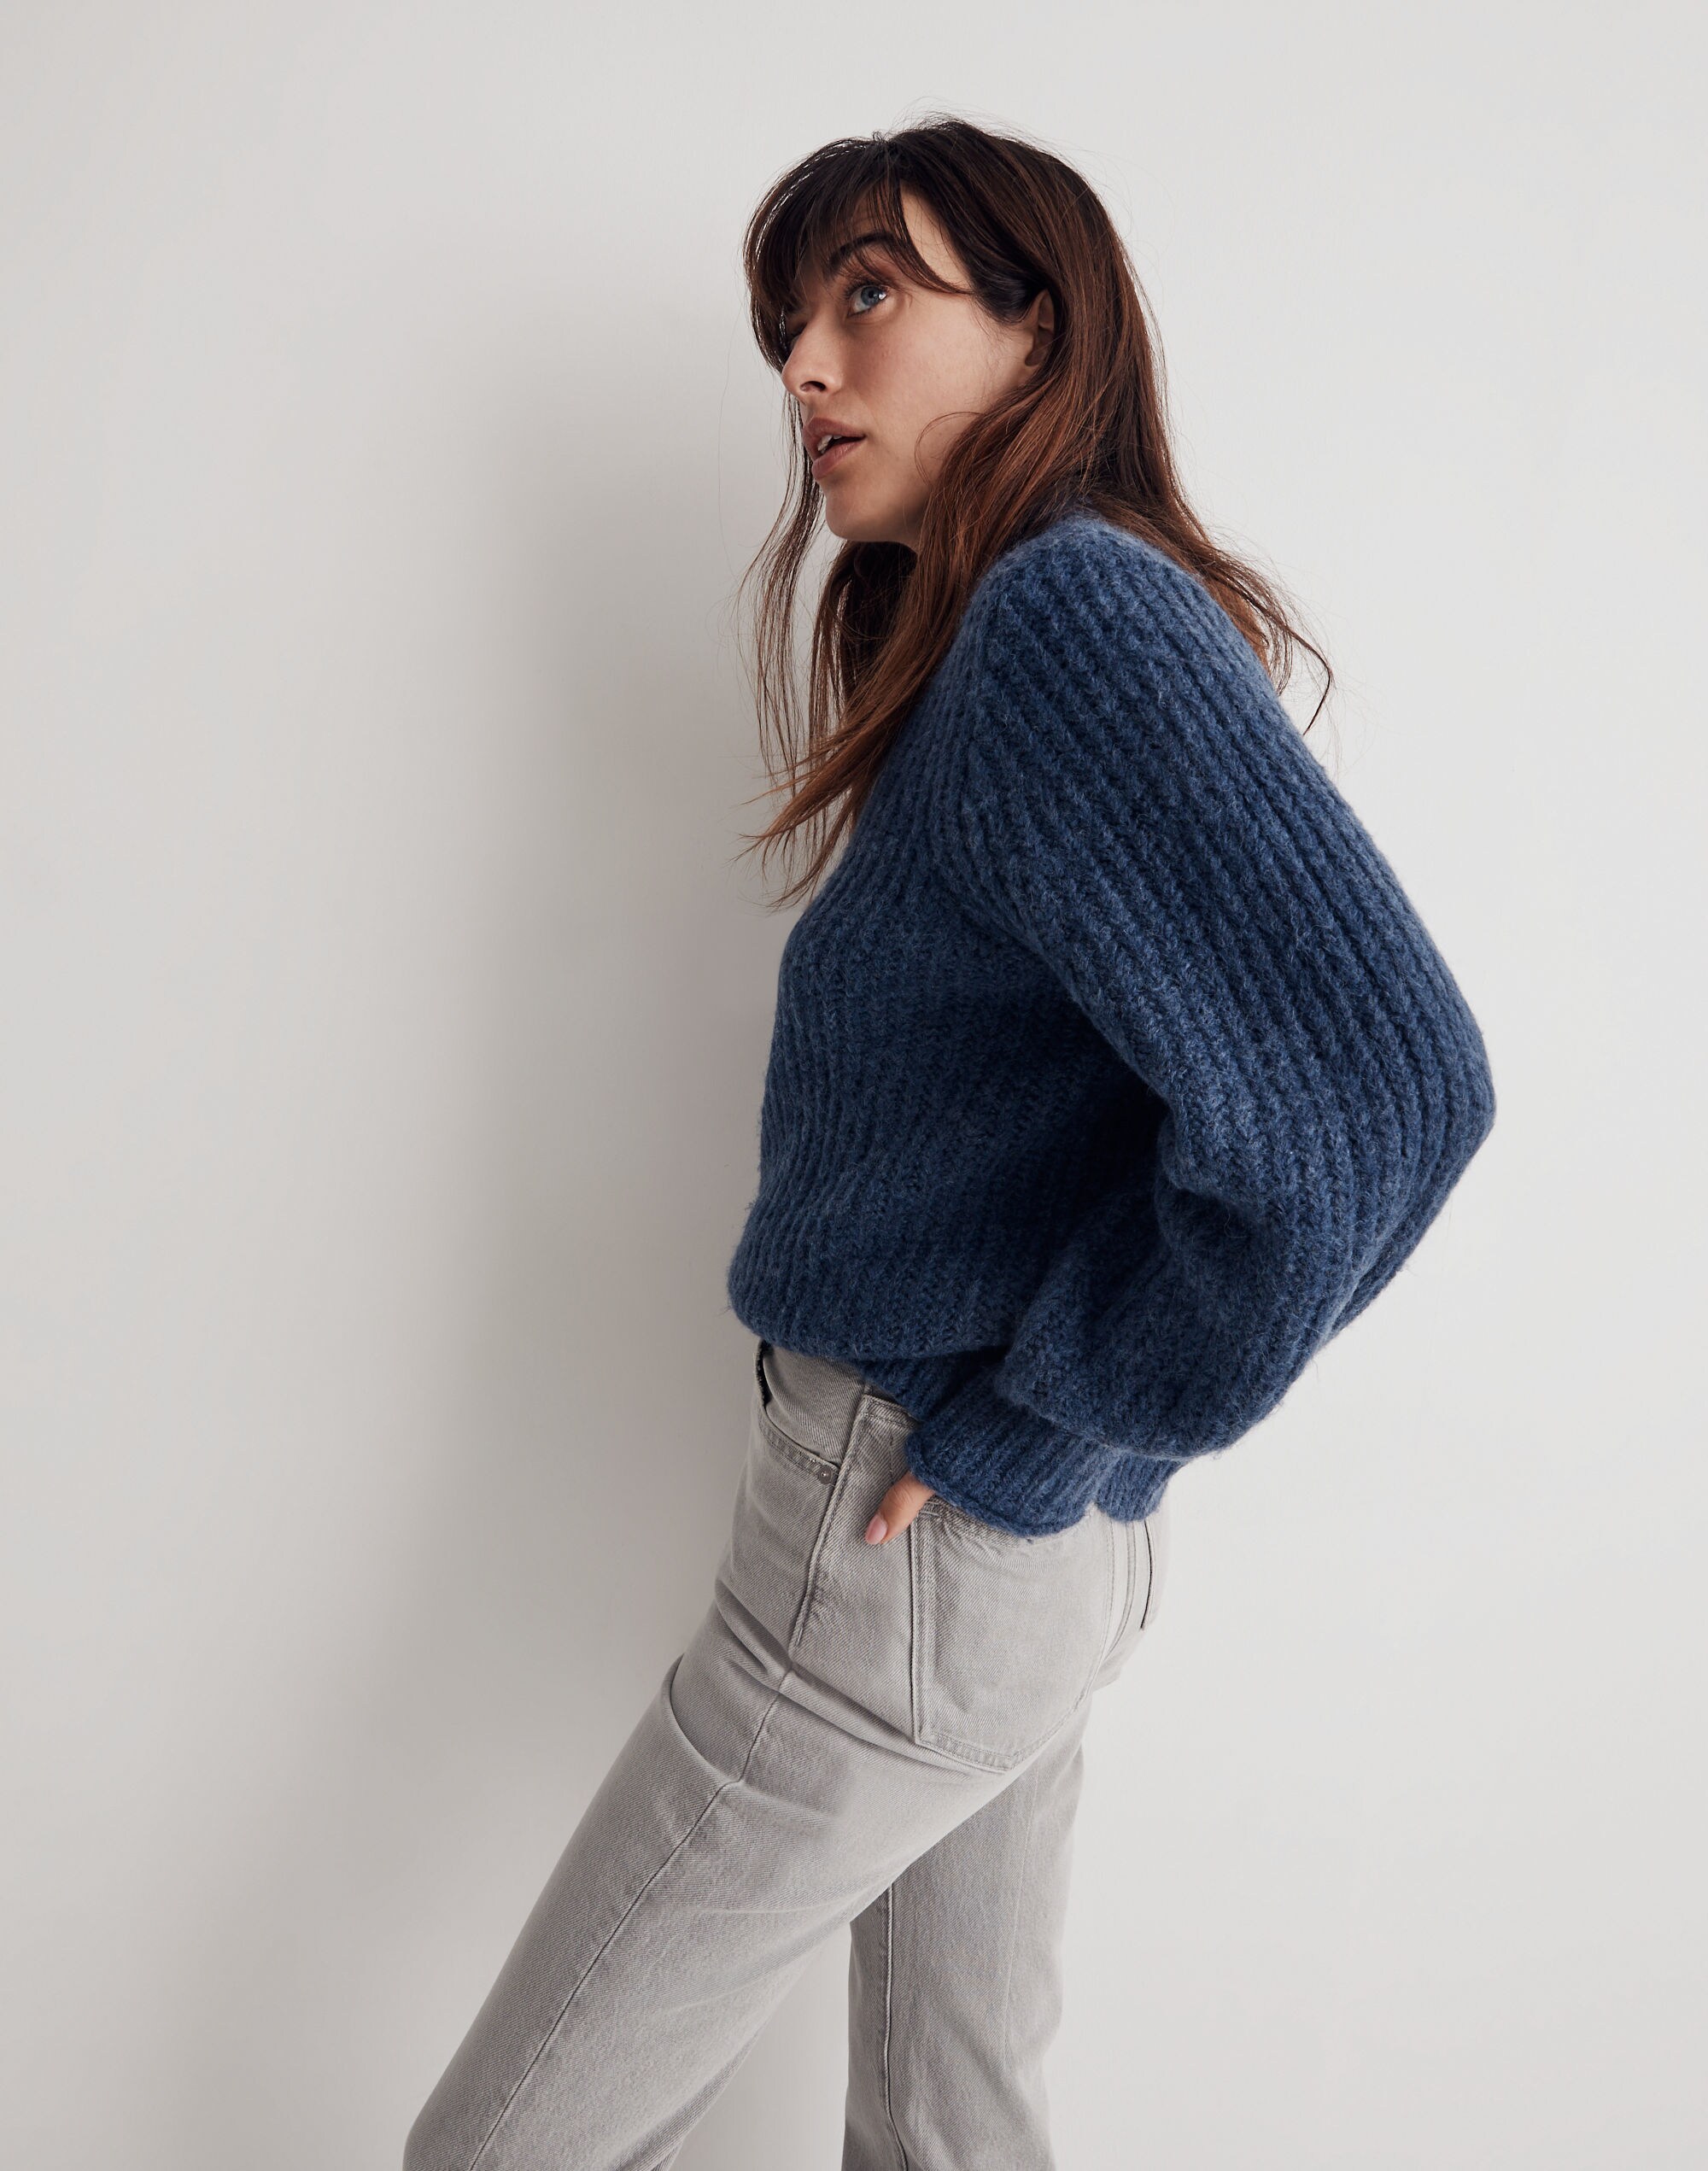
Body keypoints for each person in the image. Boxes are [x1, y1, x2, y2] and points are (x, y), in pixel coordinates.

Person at [403, 116, 1495, 2171]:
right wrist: (1060, 1433)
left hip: (914, 1529)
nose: (806, 366)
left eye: (868, 293)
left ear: (1037, 328)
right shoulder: (1025, 632)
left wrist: (1045, 1412)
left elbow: (1388, 1098)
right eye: (788, 326)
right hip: (998, 1545)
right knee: (948, 2131)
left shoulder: (1067, 617)